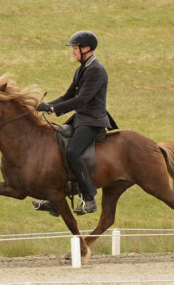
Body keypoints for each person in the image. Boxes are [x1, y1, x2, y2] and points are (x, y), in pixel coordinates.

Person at [36, 31, 118, 215]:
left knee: (73, 152)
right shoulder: (81, 68)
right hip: (81, 118)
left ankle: (89, 198)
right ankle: (56, 200)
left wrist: (55, 110)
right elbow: (68, 96)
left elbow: (82, 99)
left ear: (86, 48)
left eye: (75, 48)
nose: (73, 52)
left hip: (93, 119)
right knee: (57, 146)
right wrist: (47, 105)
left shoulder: (96, 70)